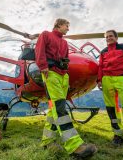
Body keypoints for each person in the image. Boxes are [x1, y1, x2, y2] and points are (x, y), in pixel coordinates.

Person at [35, 18, 97, 158]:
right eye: (66, 26)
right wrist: (43, 67)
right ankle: (74, 145)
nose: (68, 28)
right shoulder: (45, 35)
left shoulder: (64, 42)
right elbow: (39, 51)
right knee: (60, 107)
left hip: (63, 76)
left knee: (54, 109)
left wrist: (66, 76)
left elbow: (65, 59)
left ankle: (47, 141)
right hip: (50, 73)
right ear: (58, 24)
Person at [97, 30, 123, 147]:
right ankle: (118, 135)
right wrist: (99, 80)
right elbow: (100, 67)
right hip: (107, 81)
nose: (108, 38)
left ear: (116, 37)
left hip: (122, 79)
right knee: (111, 109)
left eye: (111, 36)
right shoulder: (103, 52)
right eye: (106, 37)